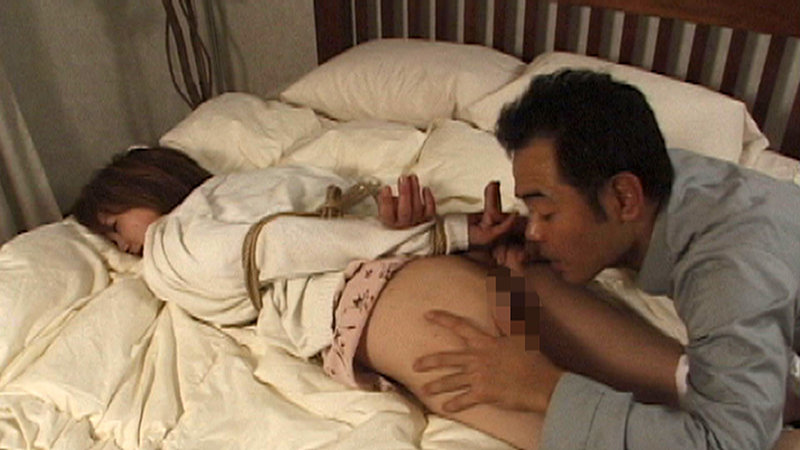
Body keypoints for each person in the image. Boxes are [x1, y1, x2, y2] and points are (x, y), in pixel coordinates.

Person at [412, 69, 800, 449]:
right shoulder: (671, 181)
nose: (534, 231)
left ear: (624, 197)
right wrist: (532, 234)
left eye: (547, 213)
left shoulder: (730, 273)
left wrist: (544, 388)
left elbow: (726, 442)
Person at [72, 146, 542, 449]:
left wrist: (447, 233)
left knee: (549, 421)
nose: (125, 248)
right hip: (429, 275)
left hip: (370, 298)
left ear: (143, 183)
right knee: (564, 386)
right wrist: (431, 234)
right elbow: (345, 222)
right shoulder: (260, 183)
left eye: (115, 227)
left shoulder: (172, 241)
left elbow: (282, 245)